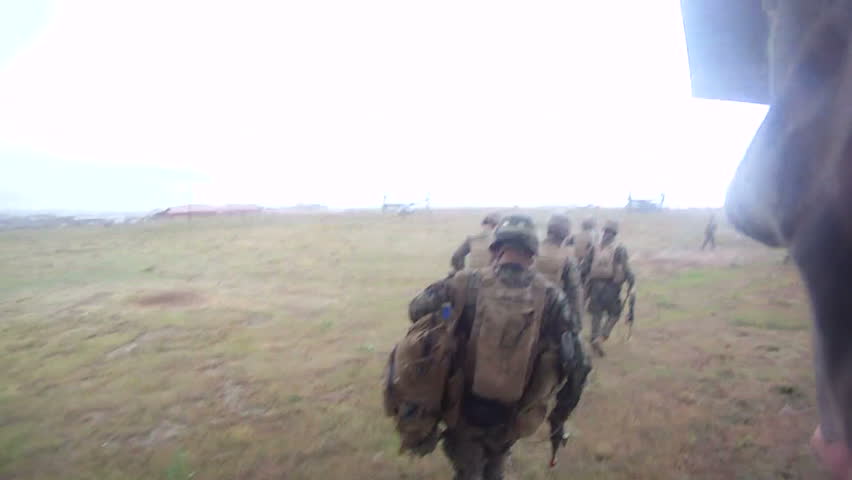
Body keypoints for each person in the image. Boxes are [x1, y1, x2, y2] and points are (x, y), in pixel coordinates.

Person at [408, 215, 589, 480]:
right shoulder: (552, 298)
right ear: (532, 255)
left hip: (463, 409)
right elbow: (579, 364)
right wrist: (559, 417)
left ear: (496, 250)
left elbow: (416, 309)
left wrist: (450, 311)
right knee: (495, 466)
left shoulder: (465, 282)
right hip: (512, 412)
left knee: (468, 471)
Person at [584, 220, 635, 357]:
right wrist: (631, 283)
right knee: (615, 313)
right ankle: (601, 337)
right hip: (611, 288)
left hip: (594, 286)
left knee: (596, 314)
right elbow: (626, 268)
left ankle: (594, 337)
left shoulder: (594, 247)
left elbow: (585, 267)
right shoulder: (619, 248)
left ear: (604, 231)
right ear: (615, 233)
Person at [537, 214, 584, 329]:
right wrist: (576, 322)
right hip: (551, 313)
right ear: (566, 234)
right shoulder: (567, 258)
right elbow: (575, 292)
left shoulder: (531, 251)